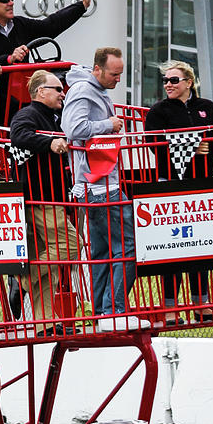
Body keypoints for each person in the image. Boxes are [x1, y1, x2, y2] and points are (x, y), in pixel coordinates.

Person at [61, 47, 150, 332]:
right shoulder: (84, 91)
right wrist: (108, 125)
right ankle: (114, 310)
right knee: (128, 246)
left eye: (120, 74)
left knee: (104, 251)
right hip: (100, 184)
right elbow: (73, 128)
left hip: (96, 183)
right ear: (97, 70)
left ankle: (103, 311)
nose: (117, 79)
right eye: (114, 74)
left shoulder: (93, 89)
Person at [145, 60, 213, 323]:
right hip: (171, 184)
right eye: (166, 81)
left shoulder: (207, 107)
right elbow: (153, 144)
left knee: (202, 245)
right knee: (172, 249)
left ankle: (202, 305)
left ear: (189, 82)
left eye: (174, 80)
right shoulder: (158, 111)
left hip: (204, 185)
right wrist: (191, 146)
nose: (168, 85)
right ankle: (170, 308)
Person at [9, 70, 79, 337]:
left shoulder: (53, 116)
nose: (63, 93)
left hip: (50, 195)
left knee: (46, 256)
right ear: (41, 92)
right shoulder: (28, 114)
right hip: (41, 196)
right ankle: (23, 281)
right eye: (57, 88)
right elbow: (19, 136)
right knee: (71, 244)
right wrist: (50, 143)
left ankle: (45, 322)